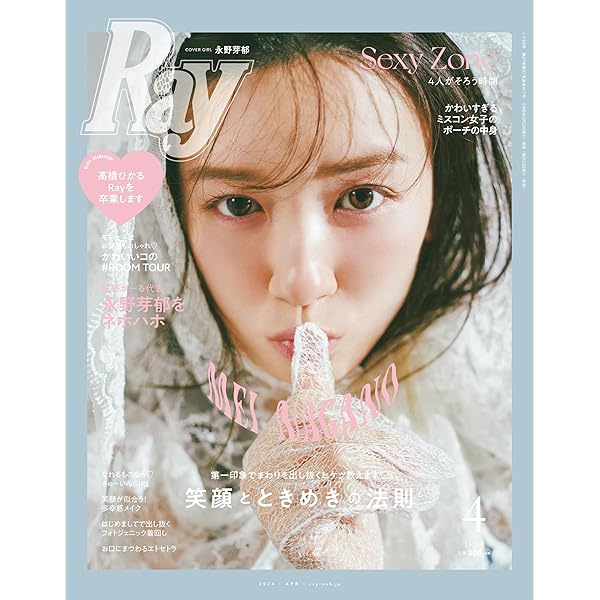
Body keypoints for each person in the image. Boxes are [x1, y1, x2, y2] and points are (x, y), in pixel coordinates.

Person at [87, 32, 513, 570]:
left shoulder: (517, 460)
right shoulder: (97, 491)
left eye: (360, 196)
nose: (302, 284)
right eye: (237, 204)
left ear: (441, 197)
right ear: (171, 222)